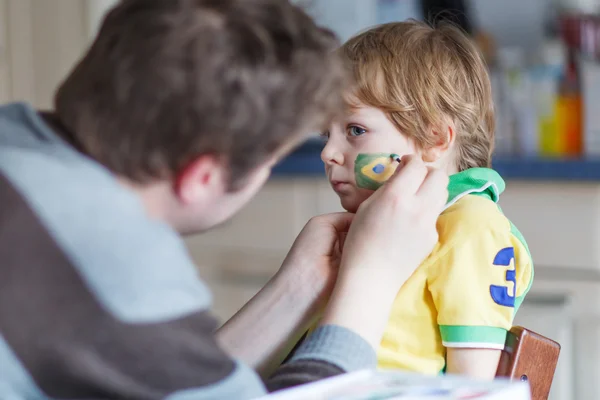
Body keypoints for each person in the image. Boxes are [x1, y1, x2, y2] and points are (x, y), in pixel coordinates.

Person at [0, 1, 448, 399]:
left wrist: (298, 287)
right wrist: (371, 278)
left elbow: (165, 380)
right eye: (270, 159)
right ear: (202, 177)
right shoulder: (112, 263)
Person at [320, 20, 534, 379]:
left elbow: (472, 386)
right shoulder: (375, 222)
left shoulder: (470, 225)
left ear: (435, 139)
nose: (328, 152)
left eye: (355, 130)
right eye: (326, 133)